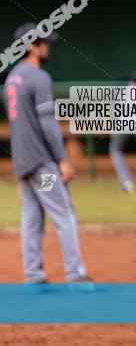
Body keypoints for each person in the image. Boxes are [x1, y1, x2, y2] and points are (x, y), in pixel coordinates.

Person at [1, 23, 92, 287]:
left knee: (31, 219)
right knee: (65, 213)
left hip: (23, 162)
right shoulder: (39, 77)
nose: (47, 47)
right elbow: (47, 123)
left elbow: (18, 123)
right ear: (32, 46)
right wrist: (62, 159)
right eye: (44, 43)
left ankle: (33, 276)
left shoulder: (11, 79)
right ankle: (75, 275)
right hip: (42, 164)